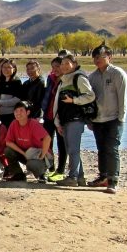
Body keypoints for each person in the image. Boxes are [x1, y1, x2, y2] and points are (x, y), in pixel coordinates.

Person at [87, 43, 127, 194]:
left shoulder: (118, 74)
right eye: (95, 57)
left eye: (101, 56)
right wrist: (89, 120)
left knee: (112, 149)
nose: (97, 60)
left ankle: (113, 181)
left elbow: (122, 98)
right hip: (98, 120)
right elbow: (89, 100)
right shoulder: (92, 77)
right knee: (101, 149)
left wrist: (121, 118)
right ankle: (103, 177)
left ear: (109, 57)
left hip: (114, 119)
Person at [54, 54, 96, 187]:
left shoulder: (79, 77)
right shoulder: (64, 80)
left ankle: (72, 177)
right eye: (62, 64)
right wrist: (57, 122)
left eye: (67, 63)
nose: (64, 66)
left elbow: (90, 96)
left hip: (75, 119)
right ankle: (80, 178)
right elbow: (58, 103)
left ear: (75, 64)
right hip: (65, 119)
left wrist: (74, 100)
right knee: (72, 149)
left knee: (73, 149)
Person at [4, 101, 52, 182]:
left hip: (39, 155)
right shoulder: (14, 123)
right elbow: (8, 142)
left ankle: (41, 174)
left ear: (28, 112)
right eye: (16, 111)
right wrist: (23, 153)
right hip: (27, 154)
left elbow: (47, 138)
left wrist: (42, 155)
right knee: (8, 150)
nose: (18, 113)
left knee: (31, 164)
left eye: (21, 110)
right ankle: (18, 174)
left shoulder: (33, 123)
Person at [42, 57, 67, 182]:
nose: (55, 69)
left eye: (57, 66)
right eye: (53, 67)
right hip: (48, 115)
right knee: (48, 143)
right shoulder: (50, 78)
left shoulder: (67, 79)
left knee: (62, 144)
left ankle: (60, 171)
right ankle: (50, 168)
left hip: (61, 117)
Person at [0, 59, 23, 127]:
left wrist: (1, 102)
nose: (6, 69)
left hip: (11, 116)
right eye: (4, 67)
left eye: (9, 67)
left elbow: (18, 99)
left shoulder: (16, 82)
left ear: (14, 69)